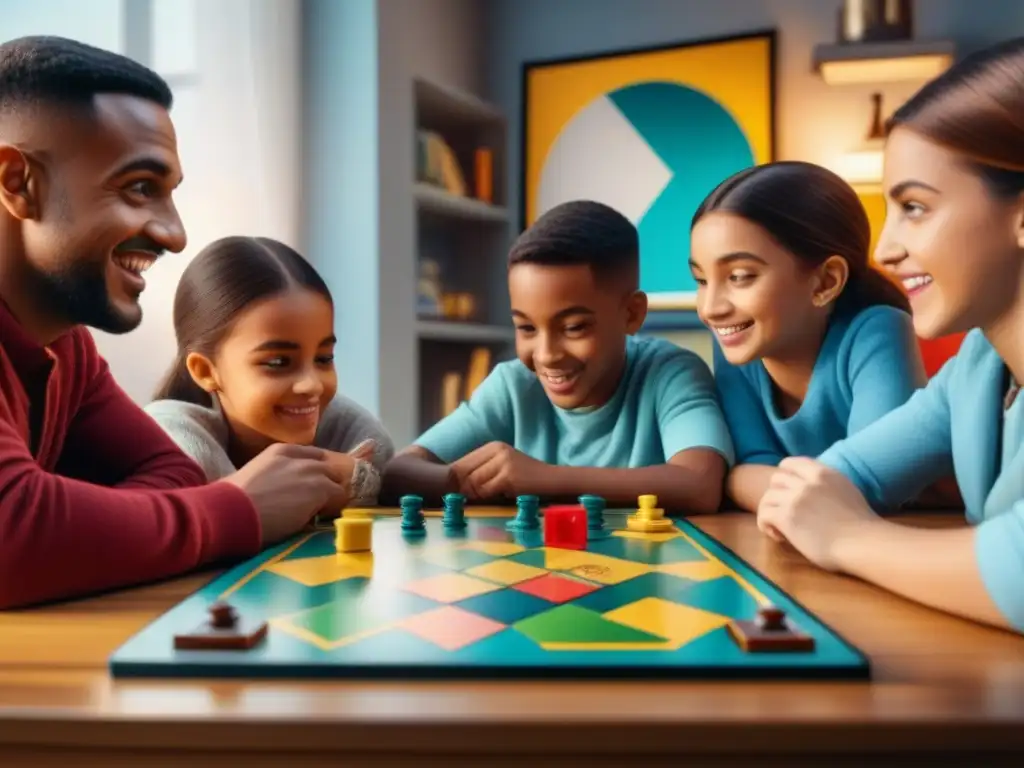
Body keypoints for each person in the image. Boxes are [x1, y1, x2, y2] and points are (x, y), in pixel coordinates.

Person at [0, 36, 346, 609]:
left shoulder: (71, 349)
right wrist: (239, 509)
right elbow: (16, 535)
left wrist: (79, 528)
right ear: (18, 182)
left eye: (168, 195)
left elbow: (169, 469)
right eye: (140, 188)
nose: (174, 234)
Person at [756, 37, 1024, 634]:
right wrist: (821, 507)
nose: (885, 249)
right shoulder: (979, 364)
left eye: (916, 207)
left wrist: (850, 536)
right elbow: (844, 474)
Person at [382, 200, 735, 512]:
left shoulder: (671, 372)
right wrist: (468, 480)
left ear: (631, 314)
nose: (547, 355)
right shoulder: (513, 387)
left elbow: (699, 483)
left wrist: (543, 480)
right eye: (526, 328)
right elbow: (400, 471)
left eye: (574, 327)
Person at [689, 161, 927, 512]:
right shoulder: (738, 343)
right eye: (702, 280)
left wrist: (748, 482)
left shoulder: (879, 330)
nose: (711, 308)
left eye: (740, 276)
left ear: (826, 281)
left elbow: (876, 482)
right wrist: (744, 479)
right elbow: (745, 468)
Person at [145, 236, 394, 504]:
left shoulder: (357, 437)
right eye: (277, 363)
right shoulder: (168, 445)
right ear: (205, 370)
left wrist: (363, 483)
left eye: (323, 358)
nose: (311, 385)